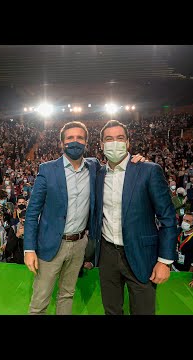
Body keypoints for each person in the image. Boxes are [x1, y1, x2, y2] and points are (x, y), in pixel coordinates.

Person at [24, 121, 143, 315]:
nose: (75, 141)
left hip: (80, 244)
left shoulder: (94, 167)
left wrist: (136, 160)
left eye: (80, 138)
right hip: (51, 244)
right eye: (70, 138)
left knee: (67, 295)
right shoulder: (47, 170)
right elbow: (32, 213)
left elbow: (119, 166)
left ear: (86, 142)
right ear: (62, 143)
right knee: (40, 301)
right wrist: (29, 249)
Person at [92, 120, 177, 315]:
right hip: (107, 253)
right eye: (109, 139)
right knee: (111, 310)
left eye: (120, 138)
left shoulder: (148, 170)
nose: (115, 143)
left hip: (141, 254)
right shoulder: (98, 174)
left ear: (128, 143)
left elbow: (168, 218)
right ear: (101, 145)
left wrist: (165, 261)